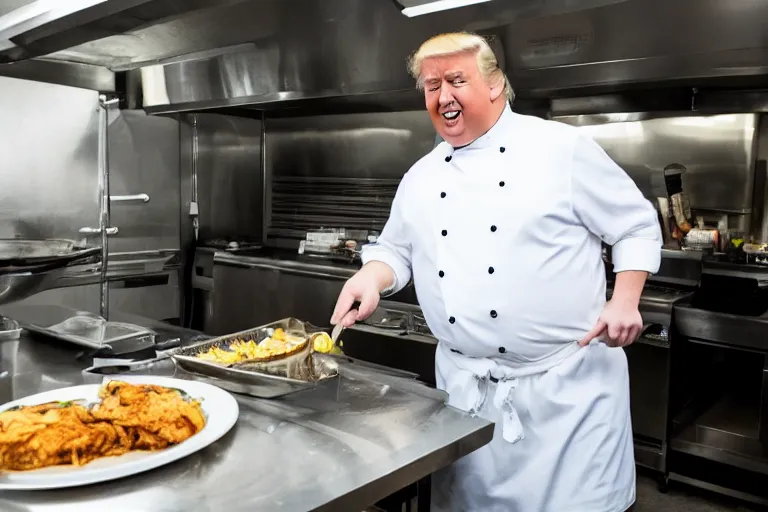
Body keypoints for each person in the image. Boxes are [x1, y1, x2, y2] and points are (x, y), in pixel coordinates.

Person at [330, 32, 662, 512]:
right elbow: (395, 249)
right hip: (467, 396)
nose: (442, 96)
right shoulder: (422, 175)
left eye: (456, 80)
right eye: (431, 85)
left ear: (494, 85)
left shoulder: (562, 149)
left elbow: (634, 225)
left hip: (564, 398)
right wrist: (371, 277)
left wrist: (625, 299)